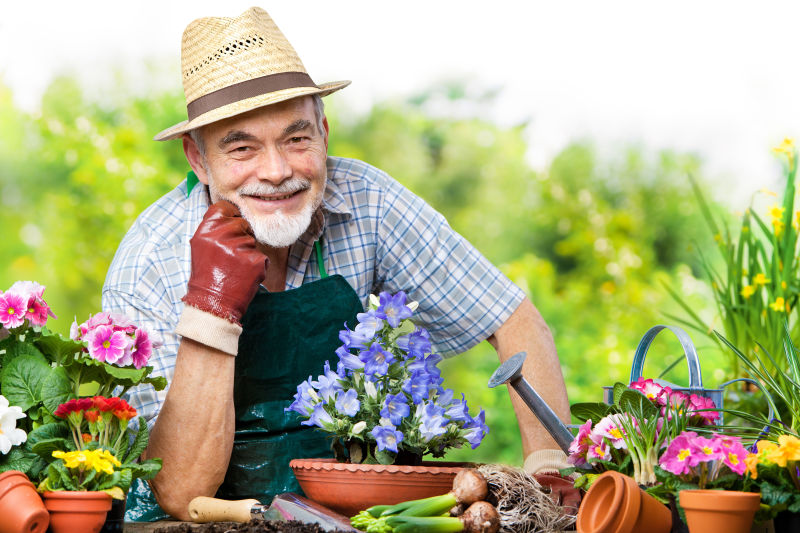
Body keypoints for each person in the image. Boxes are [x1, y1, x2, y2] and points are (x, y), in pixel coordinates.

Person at [103, 7, 571, 521]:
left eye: (296, 138)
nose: (278, 171)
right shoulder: (150, 261)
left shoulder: (367, 201)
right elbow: (179, 492)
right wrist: (212, 307)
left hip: (348, 516)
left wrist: (548, 477)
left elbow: (514, 319)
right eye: (242, 148)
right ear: (197, 158)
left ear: (324, 132)